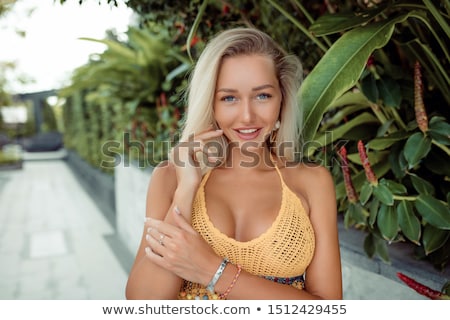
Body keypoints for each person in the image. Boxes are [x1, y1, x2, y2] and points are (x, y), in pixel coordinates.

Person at [125, 27, 342, 300]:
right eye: (229, 98)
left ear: (282, 100)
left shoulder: (311, 181)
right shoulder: (170, 178)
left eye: (262, 95)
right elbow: (144, 303)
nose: (247, 116)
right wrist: (186, 190)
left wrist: (211, 270)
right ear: (210, 104)